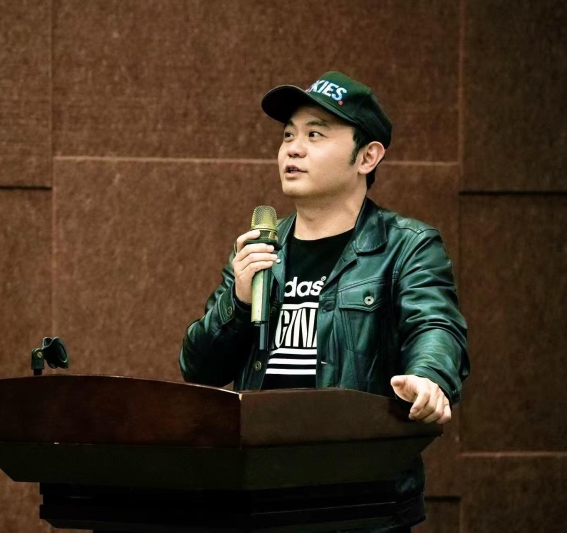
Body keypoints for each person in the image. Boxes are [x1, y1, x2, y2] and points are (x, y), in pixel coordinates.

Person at [178, 71, 470, 532]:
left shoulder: (406, 246)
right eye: (288, 135)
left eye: (315, 135)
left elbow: (435, 326)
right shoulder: (259, 250)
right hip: (259, 499)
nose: (293, 149)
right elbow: (198, 368)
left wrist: (429, 378)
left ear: (367, 156)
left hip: (358, 503)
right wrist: (238, 300)